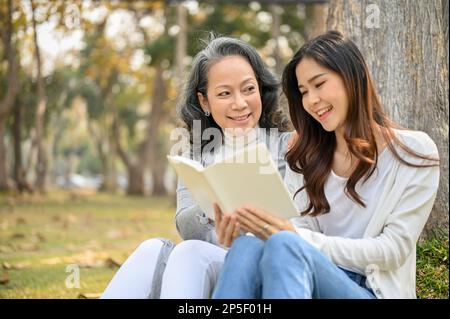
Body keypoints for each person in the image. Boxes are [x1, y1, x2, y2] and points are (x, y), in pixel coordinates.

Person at [212, 30, 440, 299]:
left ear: (353, 78)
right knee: (246, 247)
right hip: (310, 277)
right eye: (304, 92)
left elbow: (392, 251)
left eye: (319, 84)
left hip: (372, 291)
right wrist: (249, 232)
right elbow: (299, 232)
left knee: (286, 242)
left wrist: (296, 238)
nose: (311, 101)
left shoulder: (414, 152)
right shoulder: (304, 156)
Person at [101, 34, 292, 299]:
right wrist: (212, 207)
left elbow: (303, 223)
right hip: (210, 263)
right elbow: (185, 227)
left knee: (189, 253)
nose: (240, 103)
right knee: (151, 249)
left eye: (248, 89)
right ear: (205, 102)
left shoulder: (287, 146)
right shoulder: (196, 152)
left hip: (264, 268)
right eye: (225, 93)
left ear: (261, 88)